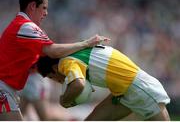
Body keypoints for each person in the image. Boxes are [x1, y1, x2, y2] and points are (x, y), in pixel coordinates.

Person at [0, 0, 109, 120]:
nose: (46, 13)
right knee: (43, 117)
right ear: (32, 6)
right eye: (44, 8)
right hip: (3, 88)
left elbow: (39, 61)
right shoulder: (26, 26)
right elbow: (52, 51)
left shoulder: (20, 25)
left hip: (10, 88)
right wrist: (86, 43)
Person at [36, 45, 171, 121]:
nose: (58, 81)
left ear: (54, 69)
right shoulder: (78, 53)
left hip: (140, 89)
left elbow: (78, 85)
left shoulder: (65, 62)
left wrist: (63, 100)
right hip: (122, 93)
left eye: (51, 77)